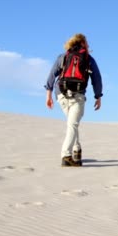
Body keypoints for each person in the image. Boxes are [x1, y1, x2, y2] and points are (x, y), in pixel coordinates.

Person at [45, 33, 103, 167]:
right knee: (72, 125)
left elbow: (52, 75)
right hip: (78, 95)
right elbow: (97, 79)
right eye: (87, 43)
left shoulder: (63, 56)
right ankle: (66, 155)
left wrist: (48, 94)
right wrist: (98, 96)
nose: (88, 45)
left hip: (61, 94)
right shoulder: (89, 59)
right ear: (82, 43)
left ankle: (77, 150)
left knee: (72, 123)